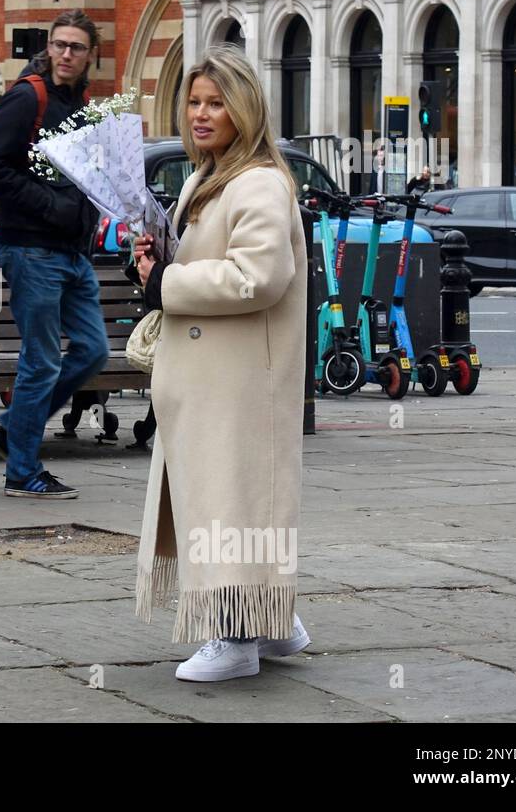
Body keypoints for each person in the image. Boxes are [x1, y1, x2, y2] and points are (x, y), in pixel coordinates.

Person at [132, 45, 310, 682]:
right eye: (194, 101)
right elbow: (204, 261)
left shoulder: (258, 180)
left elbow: (258, 277)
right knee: (221, 501)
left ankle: (236, 638)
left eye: (216, 103)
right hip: (212, 379)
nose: (201, 114)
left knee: (233, 502)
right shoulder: (208, 176)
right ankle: (273, 621)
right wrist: (155, 260)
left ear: (244, 110)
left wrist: (167, 283)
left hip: (240, 382)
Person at [0, 9, 109, 499]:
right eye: (59, 45)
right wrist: (47, 203)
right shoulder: (29, 97)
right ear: (48, 48)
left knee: (94, 350)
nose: (66, 54)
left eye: (77, 47)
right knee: (42, 362)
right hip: (31, 250)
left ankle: (15, 427)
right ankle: (22, 472)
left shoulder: (83, 105)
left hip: (72, 252)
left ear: (92, 55)